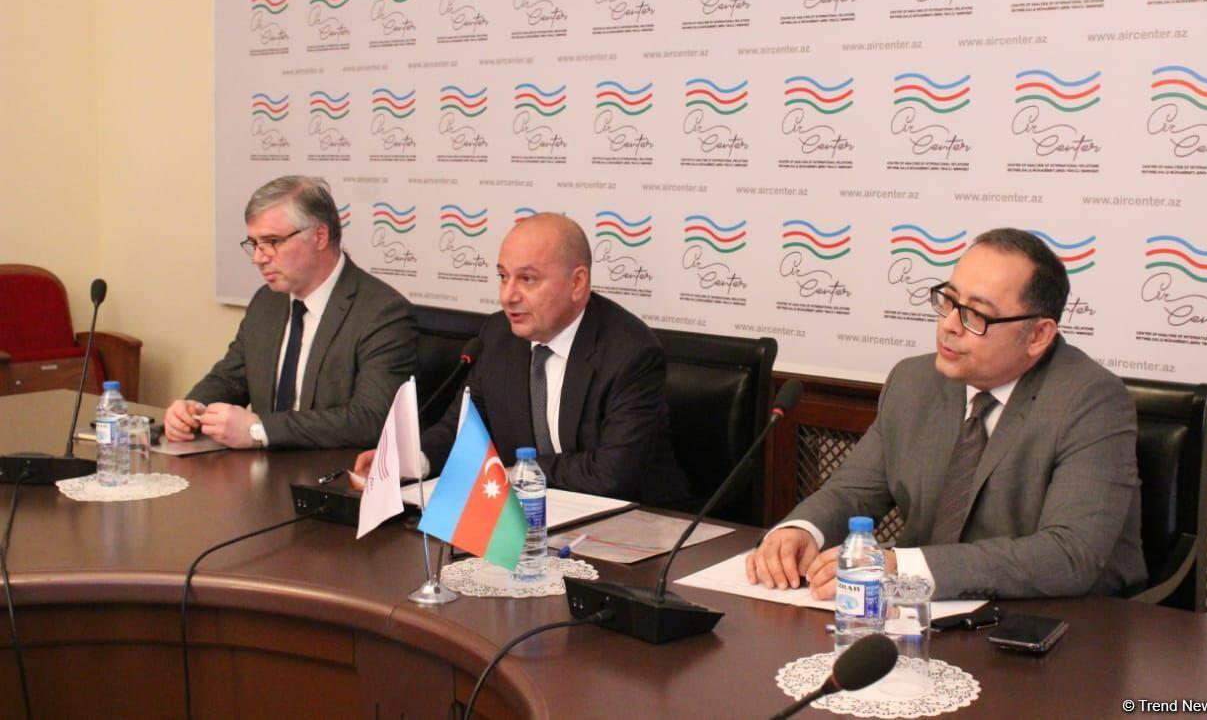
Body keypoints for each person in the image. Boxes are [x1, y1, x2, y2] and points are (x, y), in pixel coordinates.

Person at [747, 228, 1146, 600]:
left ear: (1038, 335)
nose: (949, 325)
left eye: (977, 315)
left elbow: (1069, 554)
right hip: (928, 617)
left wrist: (900, 569)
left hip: (1064, 622)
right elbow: (851, 491)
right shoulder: (914, 381)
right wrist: (803, 530)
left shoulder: (1091, 401)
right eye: (950, 301)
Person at [353, 212, 689, 503]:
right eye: (503, 276)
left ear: (577, 283)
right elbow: (462, 428)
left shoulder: (629, 353)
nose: (508, 296)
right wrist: (408, 462)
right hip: (530, 513)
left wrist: (519, 471)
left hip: (636, 524)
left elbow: (612, 475)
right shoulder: (498, 336)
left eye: (527, 279)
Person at [163, 175, 417, 449]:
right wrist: (193, 407)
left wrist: (260, 431)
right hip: (260, 467)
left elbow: (371, 420)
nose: (258, 258)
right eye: (254, 244)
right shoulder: (267, 301)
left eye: (272, 241)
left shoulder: (381, 312)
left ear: (319, 236)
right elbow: (231, 377)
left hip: (328, 468)